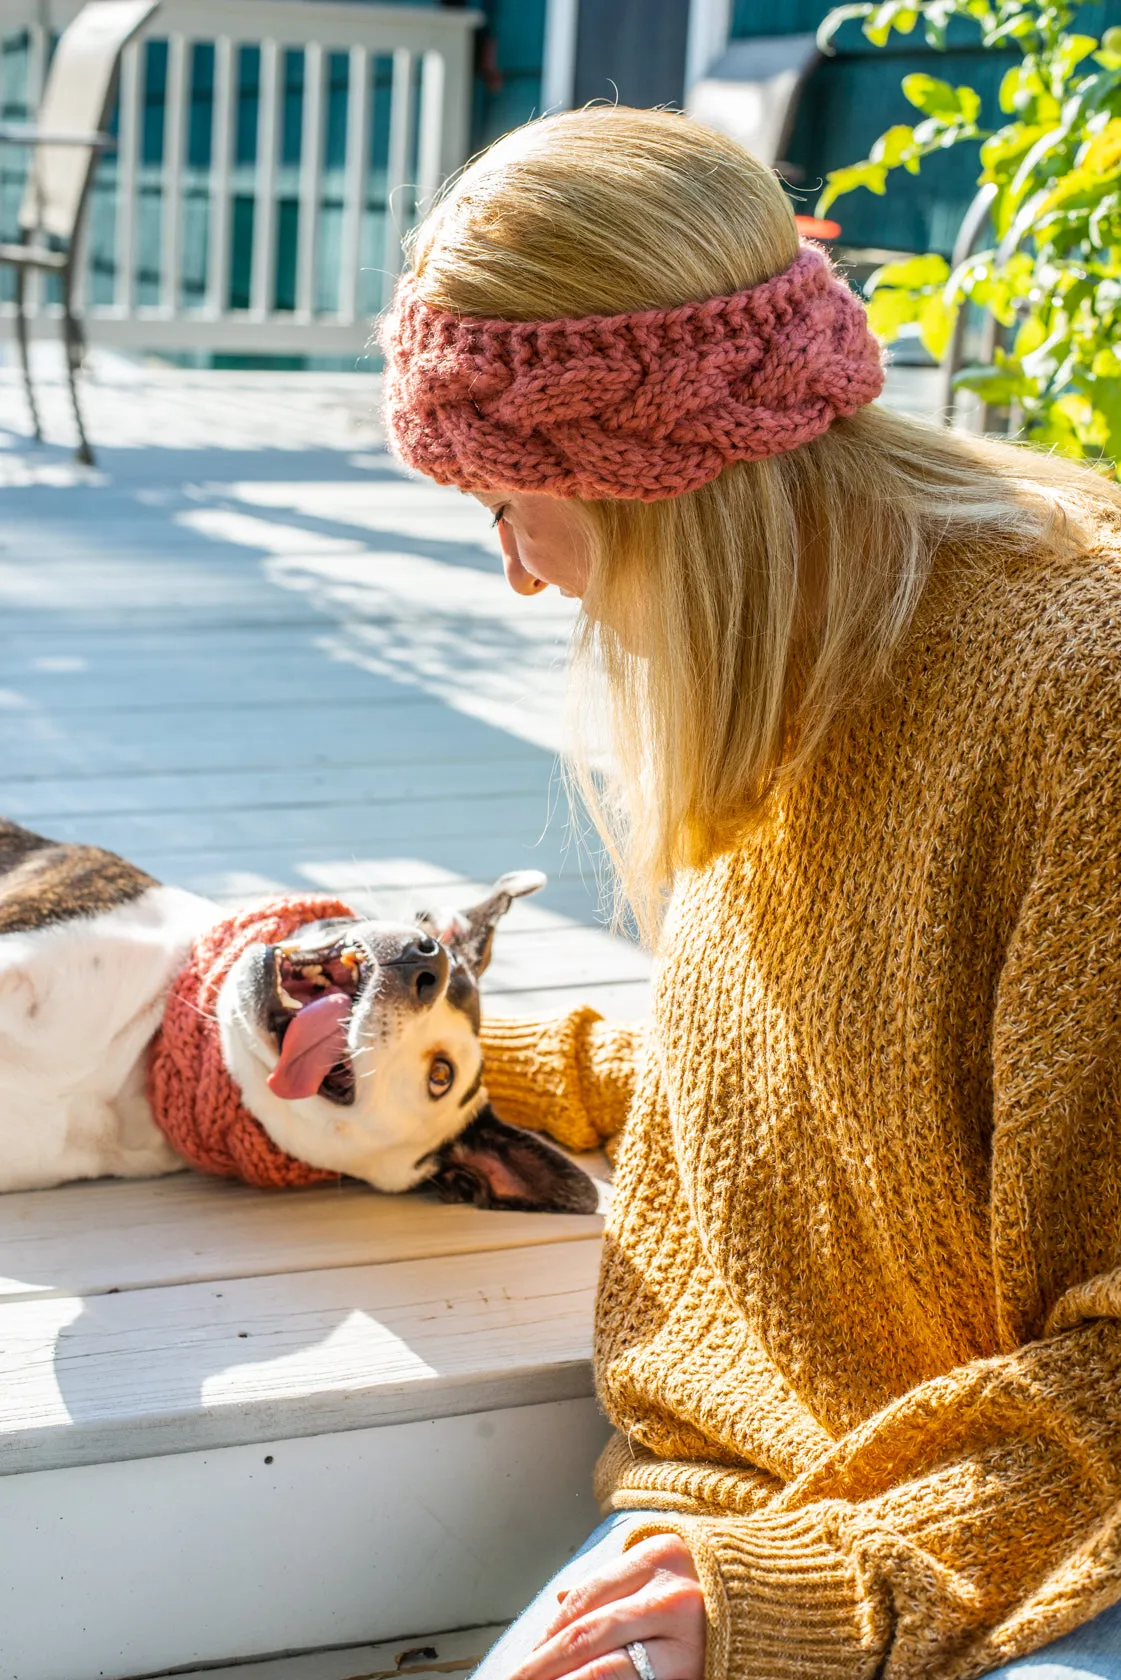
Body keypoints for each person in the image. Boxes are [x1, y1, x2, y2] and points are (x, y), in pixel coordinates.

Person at [380, 106, 1121, 1680]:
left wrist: (813, 1584)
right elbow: (846, 1111)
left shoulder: (1081, 697)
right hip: (748, 1533)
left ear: (650, 484)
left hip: (1036, 1559)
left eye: (512, 501)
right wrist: (427, 1070)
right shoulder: (788, 668)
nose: (516, 570)